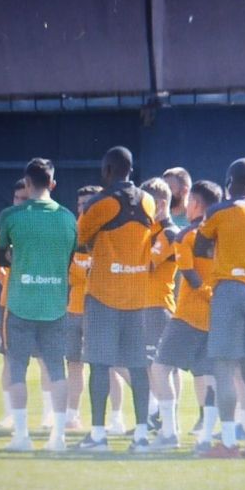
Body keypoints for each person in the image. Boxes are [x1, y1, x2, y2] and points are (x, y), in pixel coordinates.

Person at [75, 146, 156, 453]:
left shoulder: (100, 202)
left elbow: (80, 238)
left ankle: (98, 435)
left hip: (103, 295)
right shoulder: (148, 200)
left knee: (99, 364)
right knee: (138, 367)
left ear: (107, 170)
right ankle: (141, 437)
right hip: (136, 297)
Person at [0, 158, 78, 452]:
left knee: (16, 368)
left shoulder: (10, 215)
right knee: (57, 370)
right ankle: (59, 438)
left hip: (20, 303)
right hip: (55, 304)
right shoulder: (68, 218)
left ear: (27, 183)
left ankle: (21, 437)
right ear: (52, 184)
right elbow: (69, 258)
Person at [195, 158, 245, 459]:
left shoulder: (219, 211)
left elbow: (199, 247)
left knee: (224, 369)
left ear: (230, 180)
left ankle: (228, 443)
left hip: (230, 288)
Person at [152, 180, 223, 452]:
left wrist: (207, 294)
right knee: (207, 374)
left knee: (160, 369)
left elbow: (191, 276)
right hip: (214, 319)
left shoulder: (186, 236)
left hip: (188, 316)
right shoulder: (222, 235)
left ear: (194, 203)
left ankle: (169, 432)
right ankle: (205, 437)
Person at [141, 178, 181, 443]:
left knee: (163, 368)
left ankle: (169, 425)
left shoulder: (168, 232)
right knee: (154, 367)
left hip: (158, 307)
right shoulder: (150, 230)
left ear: (162, 203)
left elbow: (147, 264)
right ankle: (162, 419)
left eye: (147, 203)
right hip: (146, 305)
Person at [0, 179, 31, 431]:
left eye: (27, 199)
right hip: (11, 301)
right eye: (18, 199)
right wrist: (11, 282)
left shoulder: (43, 225)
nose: (22, 203)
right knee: (9, 358)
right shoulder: (5, 226)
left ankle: (49, 414)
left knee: (47, 359)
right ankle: (10, 413)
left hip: (40, 300)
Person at [63, 185, 101, 430]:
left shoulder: (106, 232)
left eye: (88, 203)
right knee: (74, 364)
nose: (82, 209)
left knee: (108, 366)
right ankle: (71, 416)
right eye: (80, 204)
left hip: (98, 311)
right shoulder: (72, 234)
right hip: (74, 310)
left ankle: (118, 417)